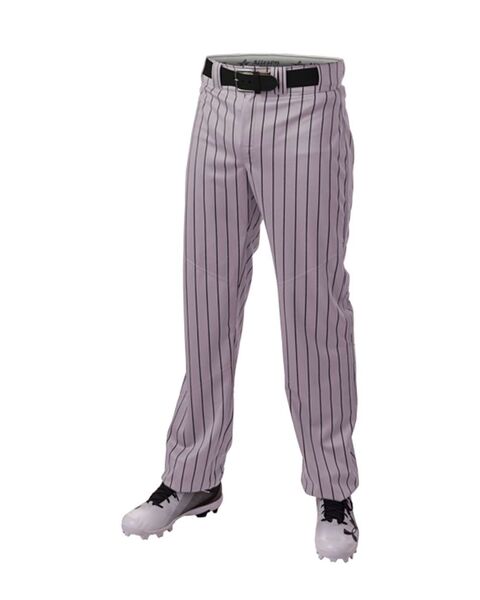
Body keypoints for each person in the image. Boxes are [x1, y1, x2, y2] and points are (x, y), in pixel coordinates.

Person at [122, 53, 360, 562]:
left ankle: (333, 490)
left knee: (312, 307)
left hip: (305, 105)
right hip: (218, 98)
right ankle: (192, 476)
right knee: (206, 302)